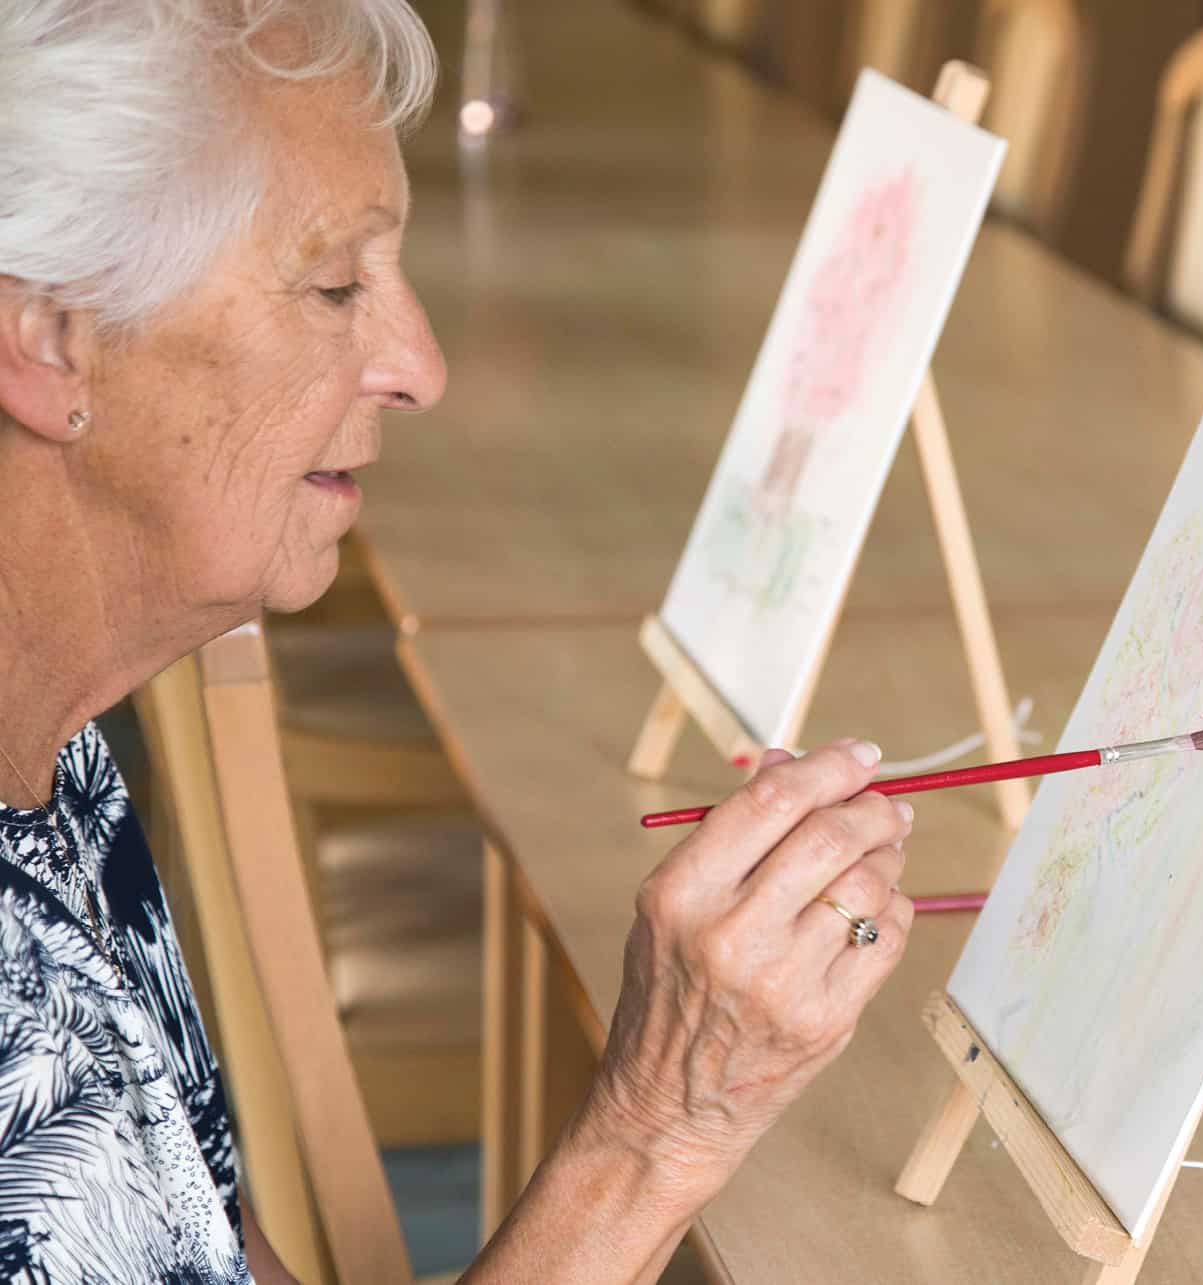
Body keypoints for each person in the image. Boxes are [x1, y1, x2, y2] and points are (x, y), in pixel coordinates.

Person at [0, 3, 913, 1279]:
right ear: (50, 338)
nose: (421, 366)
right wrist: (657, 1128)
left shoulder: (52, 757)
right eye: (335, 285)